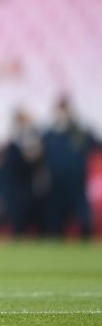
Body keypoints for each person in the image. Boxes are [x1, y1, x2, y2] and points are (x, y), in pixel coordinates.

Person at [41, 96, 99, 239]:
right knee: (55, 218)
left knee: (82, 216)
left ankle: (86, 241)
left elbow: (96, 145)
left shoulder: (80, 133)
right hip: (56, 183)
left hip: (76, 182)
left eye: (65, 111)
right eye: (60, 111)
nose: (63, 115)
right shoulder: (49, 135)